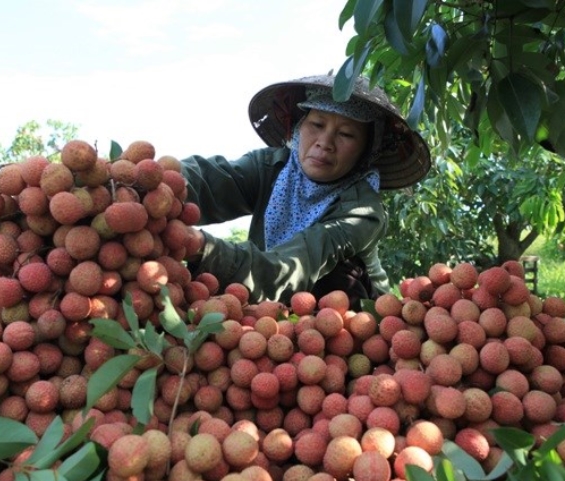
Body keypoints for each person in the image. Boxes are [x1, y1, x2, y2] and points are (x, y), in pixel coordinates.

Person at [180, 73, 430, 310]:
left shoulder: (363, 210)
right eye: (317, 124)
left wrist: (203, 248)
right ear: (299, 128)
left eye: (345, 134)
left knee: (339, 276)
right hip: (272, 308)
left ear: (366, 151)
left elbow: (299, 264)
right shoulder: (271, 168)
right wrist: (166, 182)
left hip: (352, 317)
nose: (325, 142)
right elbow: (212, 180)